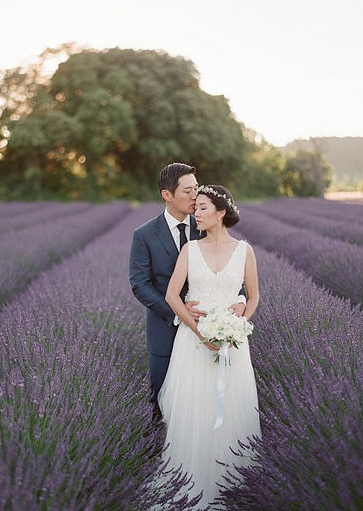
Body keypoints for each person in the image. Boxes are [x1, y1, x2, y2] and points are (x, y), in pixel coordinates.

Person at [158, 184, 261, 508]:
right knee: (195, 411)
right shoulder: (189, 249)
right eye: (195, 207)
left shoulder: (245, 250)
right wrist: (198, 330)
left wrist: (241, 316)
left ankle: (234, 485)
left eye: (202, 207)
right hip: (194, 343)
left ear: (220, 212)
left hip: (233, 343)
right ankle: (189, 484)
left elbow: (254, 296)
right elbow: (172, 296)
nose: (196, 213)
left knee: (231, 409)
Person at [129, 164, 247, 415]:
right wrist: (177, 311)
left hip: (212, 327)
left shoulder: (206, 223)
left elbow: (234, 271)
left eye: (196, 189)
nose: (195, 196)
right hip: (165, 331)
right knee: (164, 405)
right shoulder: (145, 235)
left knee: (209, 403)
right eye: (188, 191)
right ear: (167, 195)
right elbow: (140, 284)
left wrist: (240, 300)